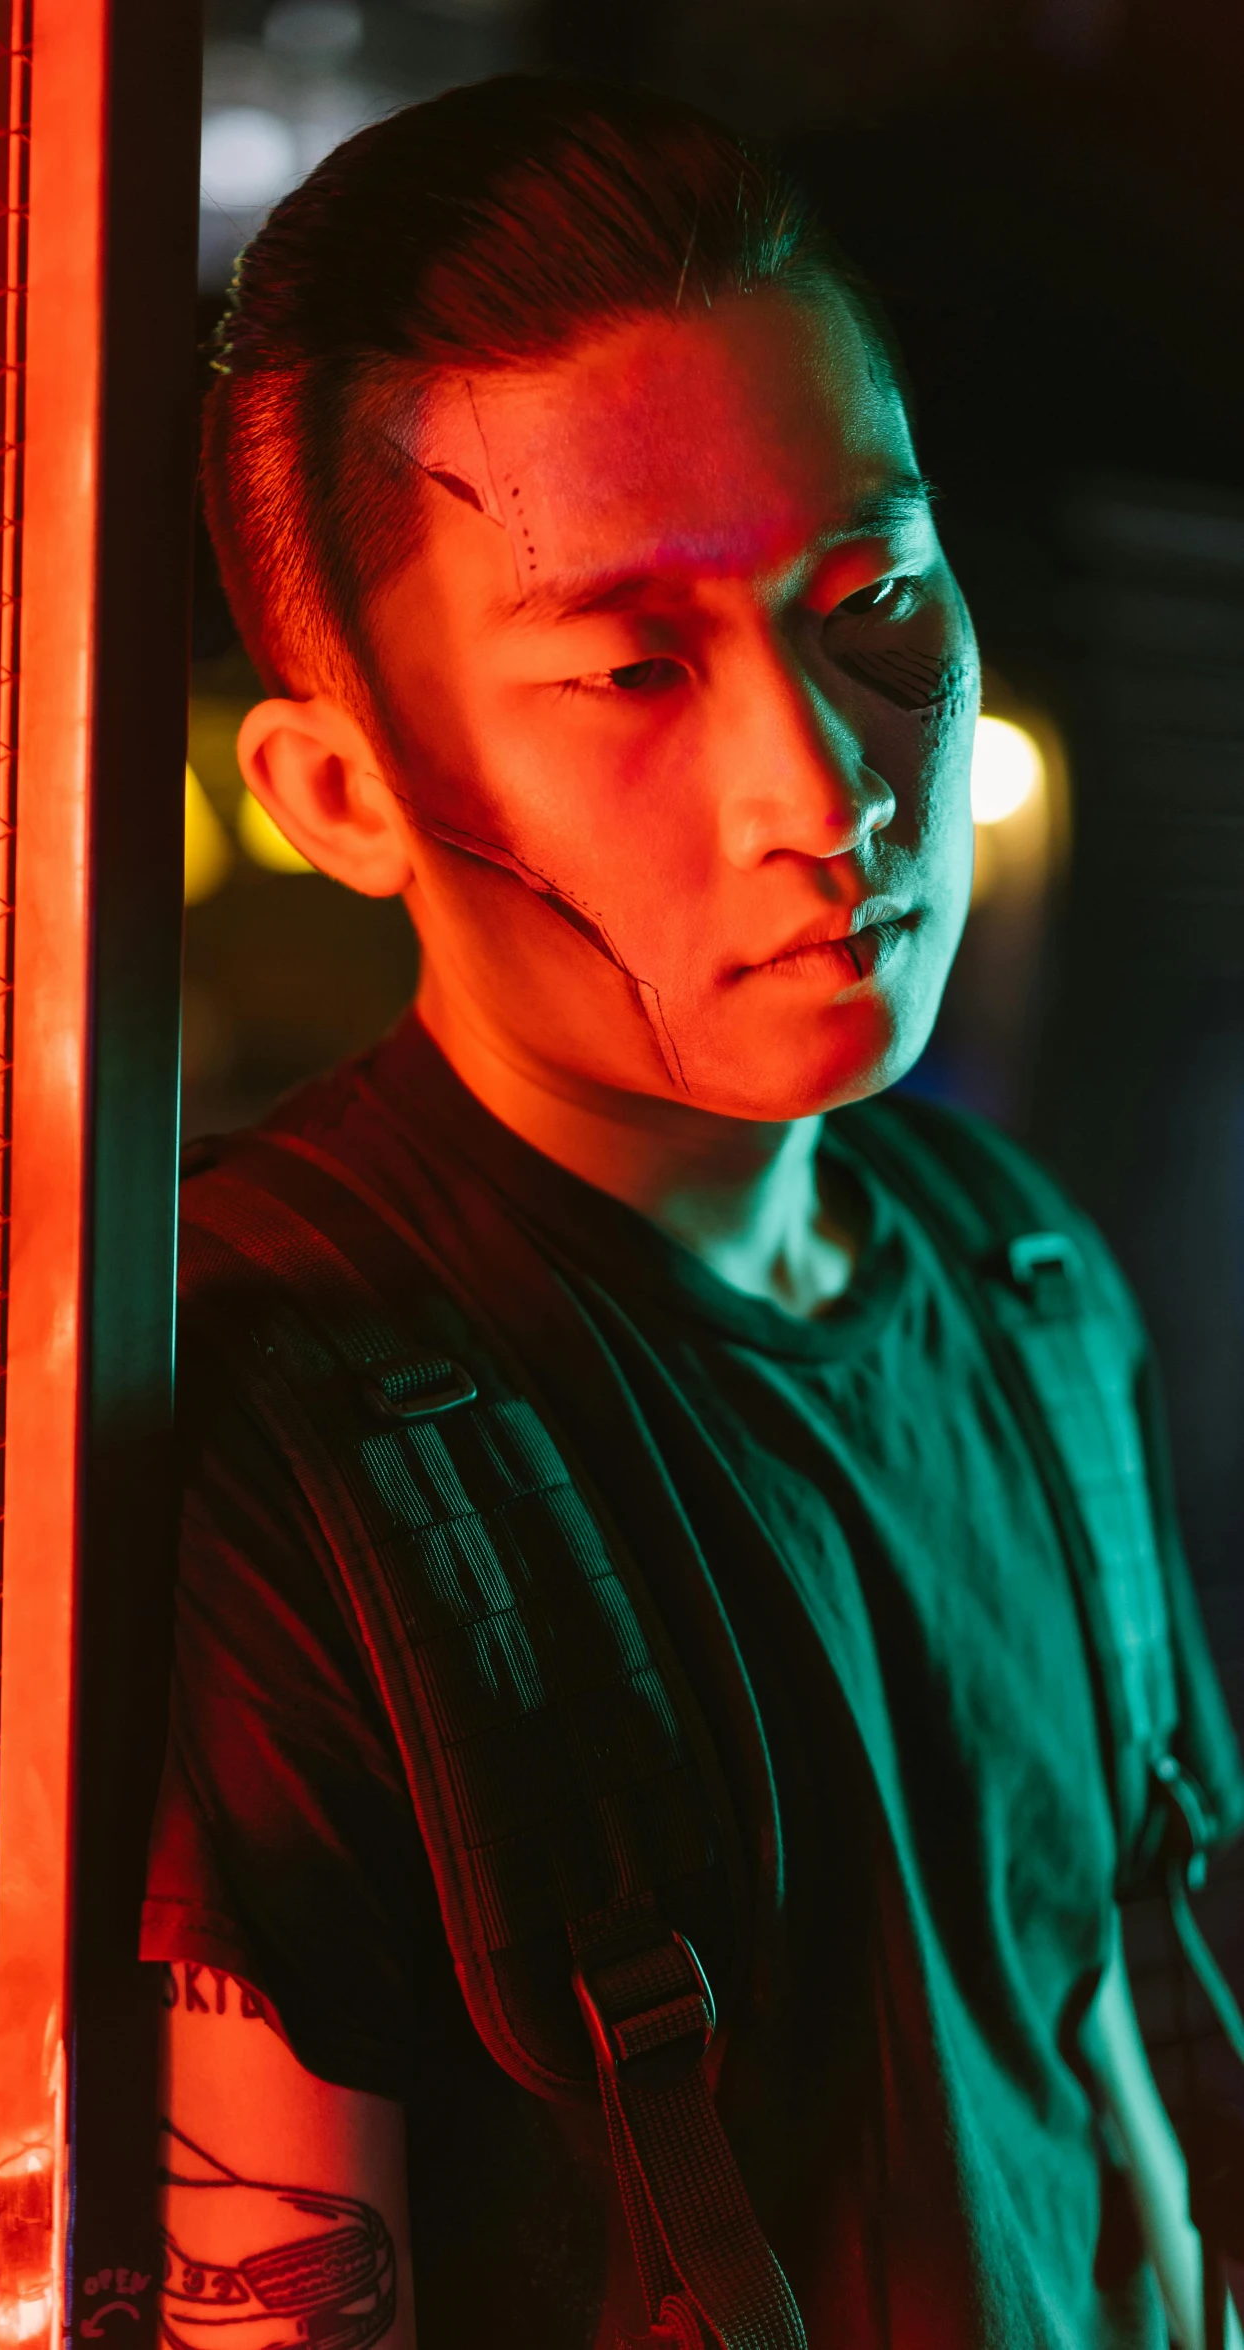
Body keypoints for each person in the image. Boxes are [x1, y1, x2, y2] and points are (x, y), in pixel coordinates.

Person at [142, 75, 1244, 2350]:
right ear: (337, 791)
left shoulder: (1023, 1282)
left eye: (875, 600)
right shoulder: (258, 1415)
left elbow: (1117, 2078)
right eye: (635, 668)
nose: (825, 785)